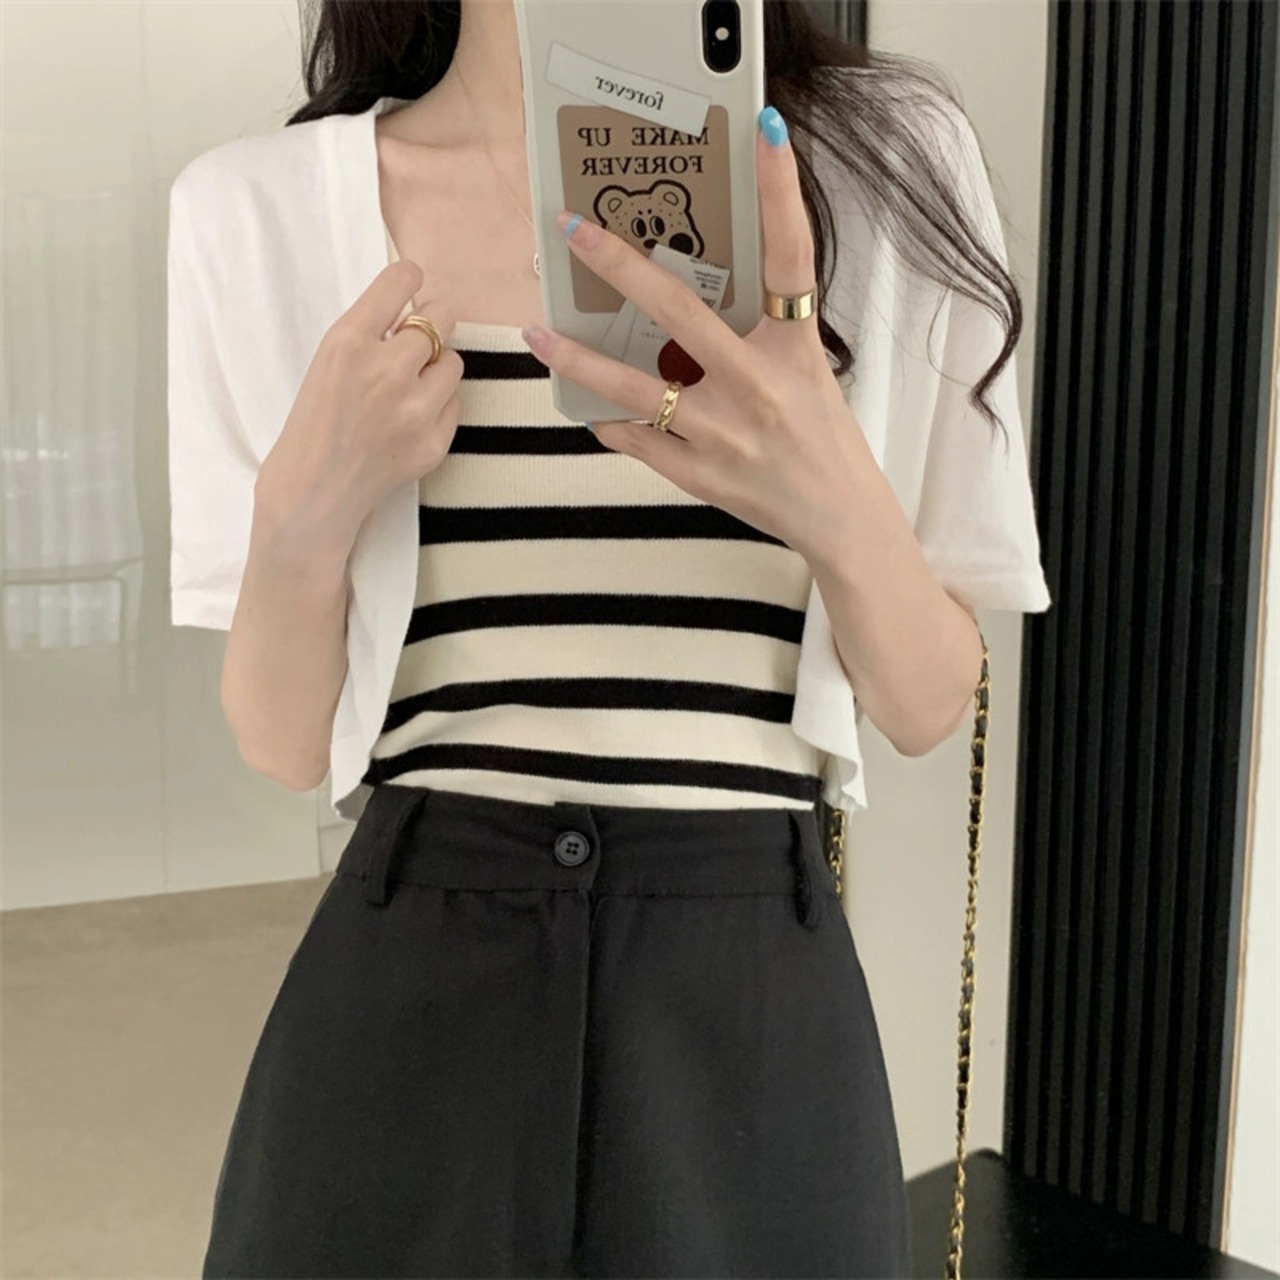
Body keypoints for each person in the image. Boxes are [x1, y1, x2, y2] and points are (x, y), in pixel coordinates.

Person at [167, 2, 1052, 1276]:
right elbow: (280, 736)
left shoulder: (886, 162)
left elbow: (923, 702)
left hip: (745, 1003)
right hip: (407, 992)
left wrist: (833, 499)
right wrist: (302, 511)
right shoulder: (256, 210)